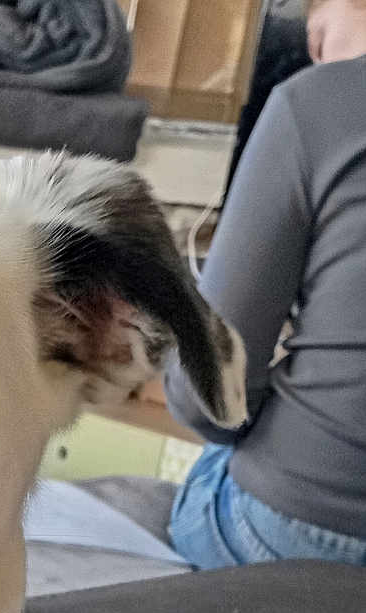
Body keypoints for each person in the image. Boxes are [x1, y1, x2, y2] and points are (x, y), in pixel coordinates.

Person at [164, 0, 366, 568]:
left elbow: (207, 392)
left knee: (213, 455)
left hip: (301, 529)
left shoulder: (317, 101)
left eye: (319, 33)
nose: (315, 54)